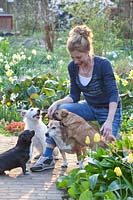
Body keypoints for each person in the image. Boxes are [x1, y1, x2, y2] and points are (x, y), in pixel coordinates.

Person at [30, 24, 122, 172]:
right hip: (89, 106)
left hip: (109, 110)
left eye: (78, 57)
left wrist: (109, 121)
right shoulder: (73, 67)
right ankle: (47, 157)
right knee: (58, 111)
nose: (75, 61)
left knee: (107, 148)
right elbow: (74, 95)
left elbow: (113, 95)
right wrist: (57, 102)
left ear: (88, 52)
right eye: (72, 57)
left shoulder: (103, 64)